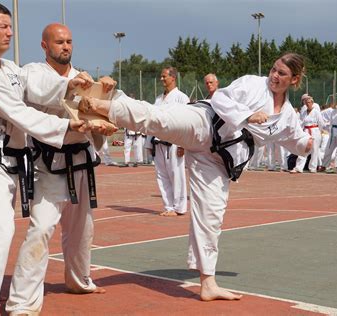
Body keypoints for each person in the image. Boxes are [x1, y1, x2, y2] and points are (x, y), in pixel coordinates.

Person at [79, 53, 312, 301]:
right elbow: (221, 98)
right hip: (204, 122)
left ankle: (208, 283)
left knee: (212, 216)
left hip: (218, 159)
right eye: (274, 69)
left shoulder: (288, 115)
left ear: (294, 79)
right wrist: (247, 116)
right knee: (160, 119)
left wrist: (309, 145)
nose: (274, 76)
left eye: (282, 73)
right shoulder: (253, 84)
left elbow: (296, 141)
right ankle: (101, 105)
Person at [0, 3, 93, 315]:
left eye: (10, 26)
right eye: (3, 26)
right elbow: (18, 112)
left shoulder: (6, 68)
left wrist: (68, 84)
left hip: (5, 161)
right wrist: (67, 125)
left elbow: (34, 85)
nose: (10, 32)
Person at [5, 23, 111, 315]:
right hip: (48, 165)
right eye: (60, 42)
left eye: (69, 41)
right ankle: (22, 301)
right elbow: (37, 93)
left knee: (82, 230)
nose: (66, 46)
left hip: (80, 160)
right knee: (41, 229)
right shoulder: (32, 73)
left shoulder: (83, 78)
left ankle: (79, 279)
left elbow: (95, 119)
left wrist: (101, 120)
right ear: (44, 45)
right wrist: (69, 86)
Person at [151, 67, 189, 216]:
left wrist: (183, 144)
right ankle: (168, 207)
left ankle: (179, 207)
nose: (161, 79)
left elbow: (187, 122)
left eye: (164, 76)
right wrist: (149, 142)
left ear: (173, 78)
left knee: (176, 174)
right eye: (161, 77)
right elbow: (153, 120)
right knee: (161, 175)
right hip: (158, 142)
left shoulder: (181, 97)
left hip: (174, 143)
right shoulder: (159, 99)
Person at [291, 95, 324, 173]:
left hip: (315, 131)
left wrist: (319, 131)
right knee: (303, 149)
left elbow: (321, 123)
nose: (308, 104)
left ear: (312, 103)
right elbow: (301, 123)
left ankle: (313, 167)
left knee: (315, 150)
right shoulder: (304, 113)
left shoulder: (316, 112)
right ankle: (299, 167)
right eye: (306, 102)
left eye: (309, 102)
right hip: (306, 131)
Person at [318, 99, 337, 172]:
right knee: (328, 149)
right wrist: (330, 130)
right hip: (333, 131)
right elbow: (331, 122)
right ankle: (324, 165)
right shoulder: (333, 111)